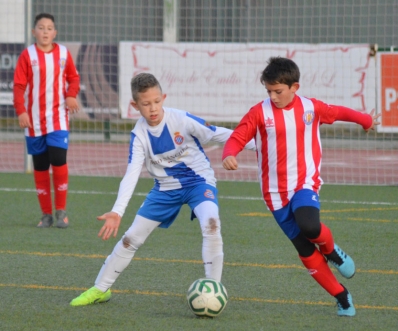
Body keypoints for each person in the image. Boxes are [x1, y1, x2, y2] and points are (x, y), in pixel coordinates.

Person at [70, 73, 256, 306]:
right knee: (130, 239)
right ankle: (100, 289)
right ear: (135, 106)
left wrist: (259, 146)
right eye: (146, 104)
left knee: (211, 223)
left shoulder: (182, 119)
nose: (153, 108)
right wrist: (117, 211)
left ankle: (213, 289)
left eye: (157, 101)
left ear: (163, 98)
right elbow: (132, 174)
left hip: (198, 183)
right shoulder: (139, 136)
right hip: (165, 190)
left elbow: (219, 133)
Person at [222, 57, 381, 317]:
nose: (273, 96)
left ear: (294, 87)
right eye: (269, 91)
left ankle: (333, 252)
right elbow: (238, 137)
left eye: (278, 91)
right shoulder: (258, 113)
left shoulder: (310, 108)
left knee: (309, 226)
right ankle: (342, 297)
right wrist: (229, 153)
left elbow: (339, 112)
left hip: (304, 183)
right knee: (304, 248)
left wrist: (365, 120)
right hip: (274, 194)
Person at [13, 13, 80, 229]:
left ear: (55, 32)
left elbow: (74, 78)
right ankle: (46, 215)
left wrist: (71, 95)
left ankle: (61, 212)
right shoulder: (27, 55)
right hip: (33, 121)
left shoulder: (63, 53)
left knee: (58, 160)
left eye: (49, 28)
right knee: (40, 165)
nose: (45, 31)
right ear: (34, 32)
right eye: (41, 28)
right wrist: (21, 111)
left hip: (58, 118)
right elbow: (19, 86)